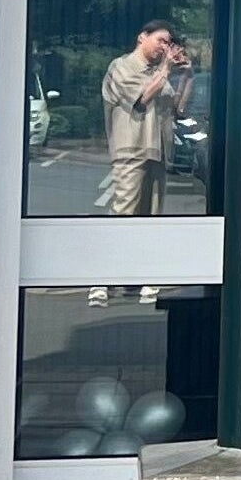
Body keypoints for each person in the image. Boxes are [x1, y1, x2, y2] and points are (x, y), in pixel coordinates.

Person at [90, 20, 190, 306]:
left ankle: (139, 277)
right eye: (161, 40)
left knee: (151, 217)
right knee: (124, 212)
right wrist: (166, 69)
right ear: (141, 37)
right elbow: (142, 98)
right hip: (131, 149)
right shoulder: (122, 67)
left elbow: (178, 108)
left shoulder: (159, 71)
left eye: (168, 43)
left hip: (157, 151)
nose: (165, 47)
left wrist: (188, 76)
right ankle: (100, 280)